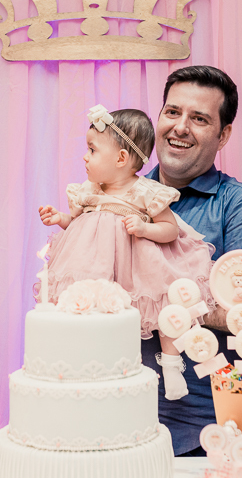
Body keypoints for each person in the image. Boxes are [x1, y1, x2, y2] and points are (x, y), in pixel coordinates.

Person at [141, 65, 242, 456]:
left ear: (223, 135)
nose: (180, 127)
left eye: (200, 119)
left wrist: (169, 305)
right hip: (115, 423)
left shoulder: (238, 205)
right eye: (172, 112)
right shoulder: (123, 195)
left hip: (206, 435)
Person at [38, 107, 215, 400]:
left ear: (121, 159)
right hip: (96, 267)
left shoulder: (146, 191)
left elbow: (170, 229)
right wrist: (59, 218)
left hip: (141, 268)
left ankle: (171, 366)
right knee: (87, 312)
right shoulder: (89, 190)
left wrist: (145, 229)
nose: (85, 156)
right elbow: (77, 224)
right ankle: (83, 364)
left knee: (165, 309)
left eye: (92, 150)